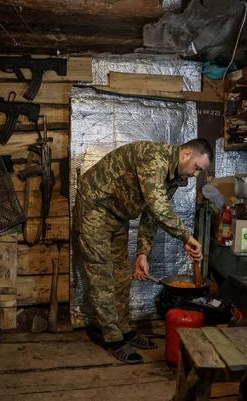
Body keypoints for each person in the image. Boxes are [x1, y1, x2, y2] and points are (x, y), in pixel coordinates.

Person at [74, 138, 213, 364]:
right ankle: (113, 338)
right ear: (186, 154)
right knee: (102, 276)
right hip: (95, 208)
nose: (196, 175)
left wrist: (142, 253)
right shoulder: (154, 158)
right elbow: (159, 208)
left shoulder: (174, 178)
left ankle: (124, 329)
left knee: (121, 275)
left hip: (118, 215)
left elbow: (150, 216)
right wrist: (187, 236)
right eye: (197, 168)